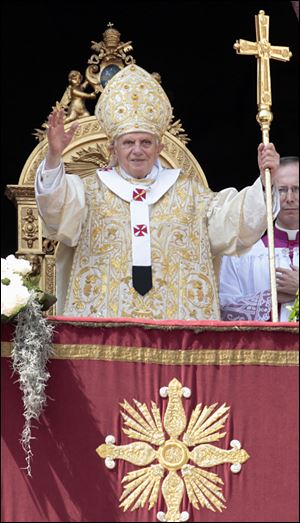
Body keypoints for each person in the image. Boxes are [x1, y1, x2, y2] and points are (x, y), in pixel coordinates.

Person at [35, 63, 280, 320]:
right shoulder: (86, 193)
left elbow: (236, 223)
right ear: (113, 149)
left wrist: (265, 181)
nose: (137, 150)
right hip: (105, 331)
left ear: (160, 147)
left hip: (176, 336)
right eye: (128, 142)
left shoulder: (190, 195)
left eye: (146, 142)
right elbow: (54, 210)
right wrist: (53, 156)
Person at [219, 156, 299, 321]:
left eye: (297, 189)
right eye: (282, 190)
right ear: (270, 193)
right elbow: (222, 312)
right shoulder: (241, 255)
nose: (290, 198)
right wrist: (270, 299)